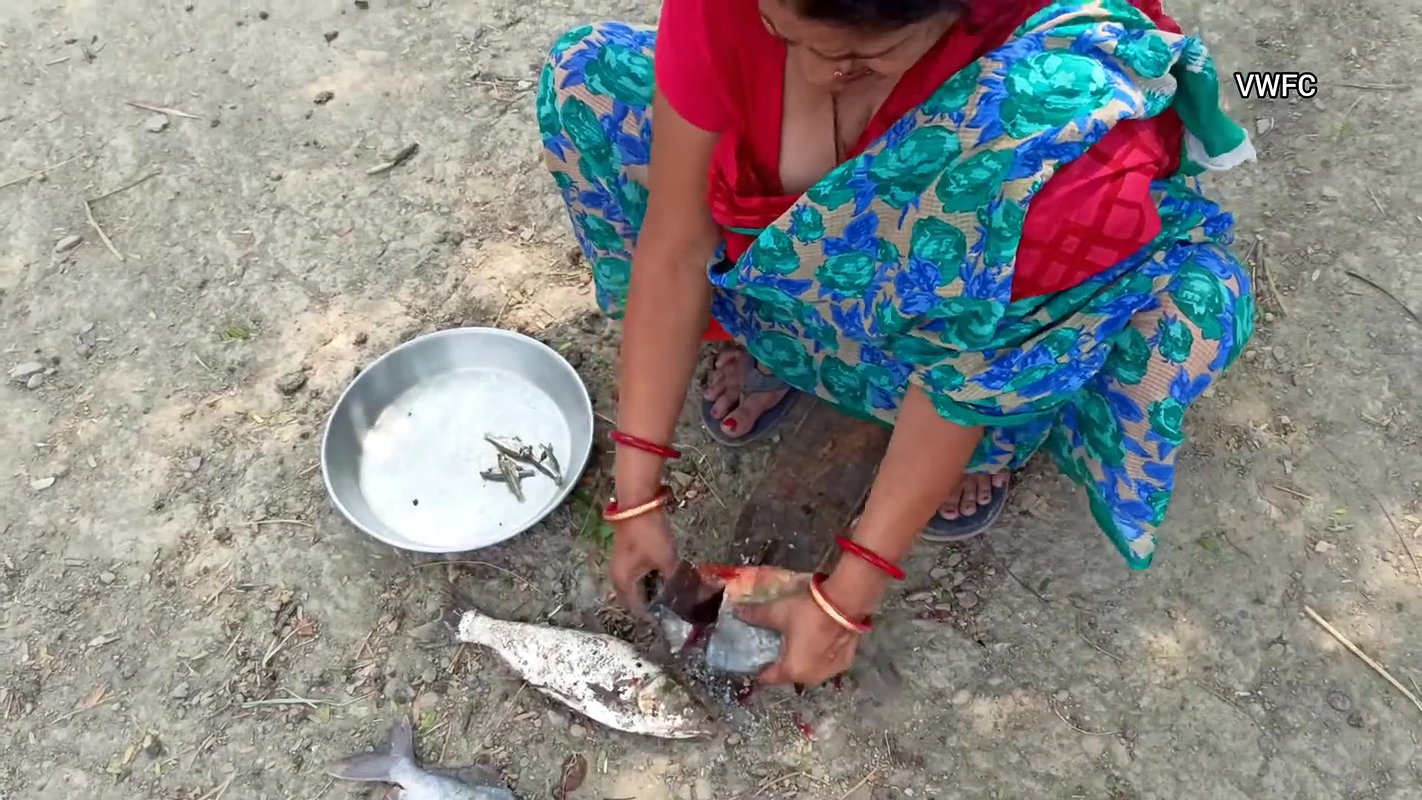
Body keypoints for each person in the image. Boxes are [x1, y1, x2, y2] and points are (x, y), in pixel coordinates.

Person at [537, 0, 1255, 686]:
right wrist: (635, 494)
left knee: (1167, 312)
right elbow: (676, 239)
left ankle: (981, 443)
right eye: (785, 31)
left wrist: (845, 595)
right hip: (817, 272)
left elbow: (969, 369)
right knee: (587, 80)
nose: (817, 72)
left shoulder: (1040, 98)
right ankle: (781, 340)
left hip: (964, 322)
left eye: (857, 56)